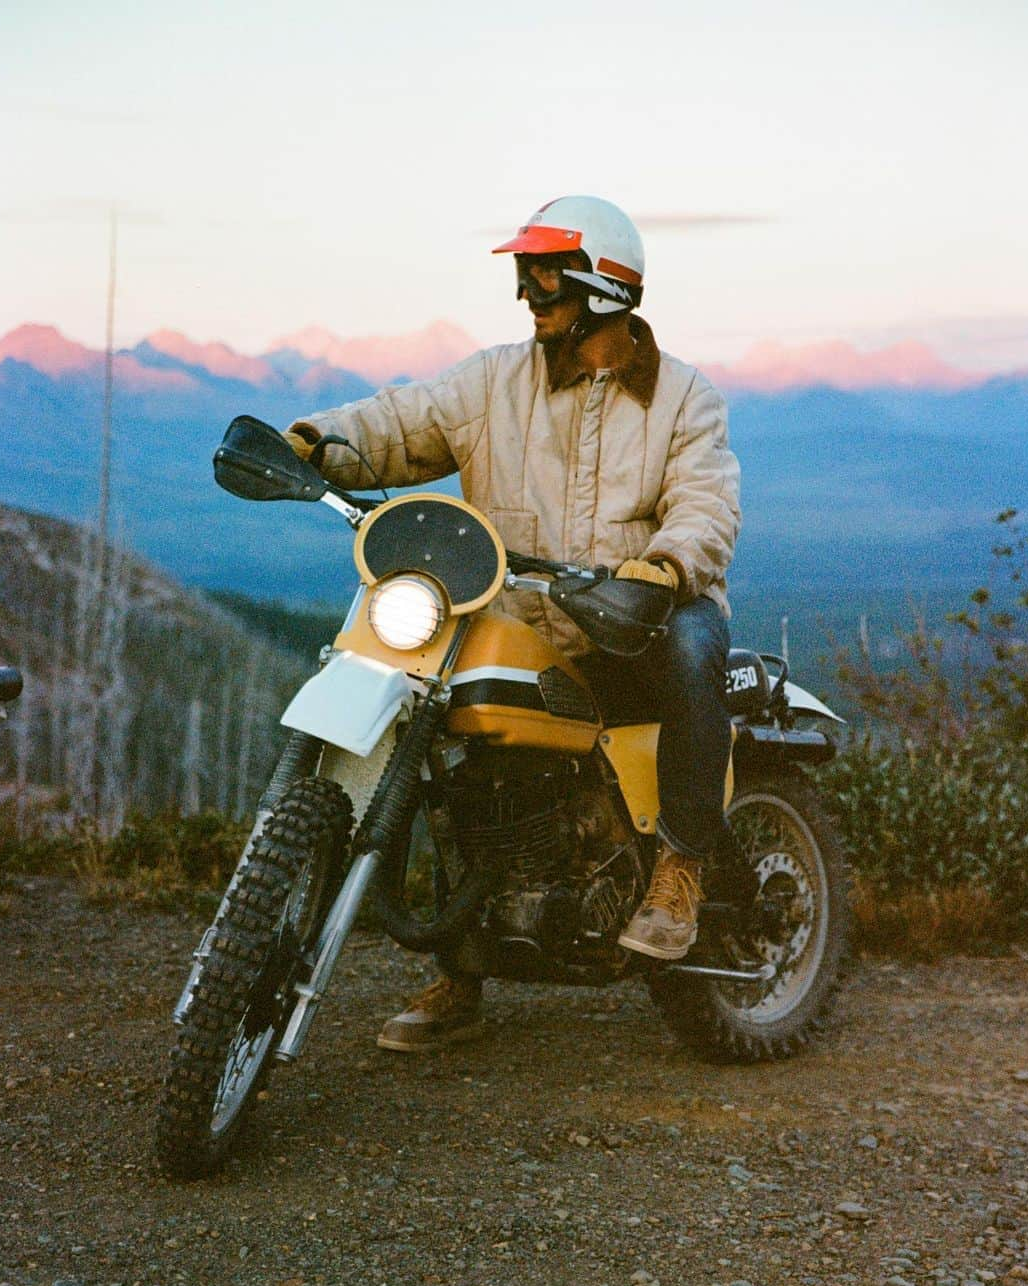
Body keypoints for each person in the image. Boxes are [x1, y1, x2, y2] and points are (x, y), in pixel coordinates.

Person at [284, 195, 757, 1052]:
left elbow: (706, 497)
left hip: (635, 626)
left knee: (697, 639)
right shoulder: (494, 381)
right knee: (439, 727)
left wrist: (668, 564)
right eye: (525, 275)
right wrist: (320, 439)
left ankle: (681, 868)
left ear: (604, 288)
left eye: (547, 276)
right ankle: (461, 969)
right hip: (525, 624)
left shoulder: (686, 398)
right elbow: (405, 419)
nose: (529, 294)